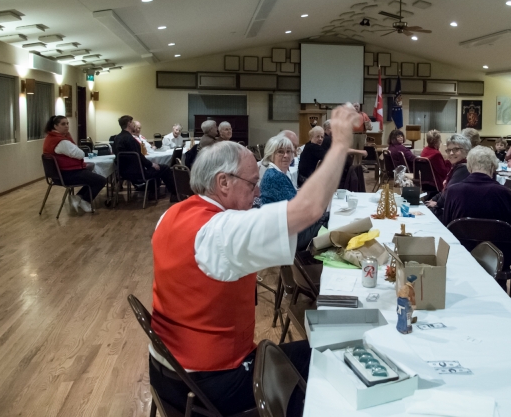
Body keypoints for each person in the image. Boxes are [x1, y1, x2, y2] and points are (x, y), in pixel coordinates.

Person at [149, 103, 359, 416]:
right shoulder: (222, 231)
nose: (257, 188)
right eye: (251, 183)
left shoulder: (172, 214)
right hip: (210, 381)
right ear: (223, 182)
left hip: (170, 370)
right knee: (330, 364)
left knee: (316, 352)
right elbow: (309, 210)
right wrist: (340, 143)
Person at [441, 146, 511, 283]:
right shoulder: (503, 193)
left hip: (463, 254)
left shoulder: (453, 191)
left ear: (469, 167)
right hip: (498, 259)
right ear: (493, 167)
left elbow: (447, 227)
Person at [42, 115, 106, 213]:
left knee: (92, 174)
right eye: (63, 124)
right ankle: (85, 201)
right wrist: (68, 137)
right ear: (55, 126)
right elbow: (80, 154)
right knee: (101, 180)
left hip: (58, 175)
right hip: (68, 175)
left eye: (67, 123)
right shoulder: (61, 141)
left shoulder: (49, 138)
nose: (67, 126)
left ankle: (77, 197)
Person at [114, 115, 178, 202]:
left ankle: (153, 192)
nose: (133, 125)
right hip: (138, 173)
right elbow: (139, 157)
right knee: (164, 168)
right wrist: (151, 164)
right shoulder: (131, 139)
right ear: (129, 124)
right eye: (132, 123)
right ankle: (175, 194)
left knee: (154, 169)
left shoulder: (117, 138)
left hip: (123, 172)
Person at [425, 134, 472, 217]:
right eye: (449, 150)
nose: (451, 153)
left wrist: (437, 203)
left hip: (456, 215)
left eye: (456, 149)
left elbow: (450, 191)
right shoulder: (456, 166)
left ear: (466, 150)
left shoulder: (464, 168)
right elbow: (445, 190)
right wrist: (433, 199)